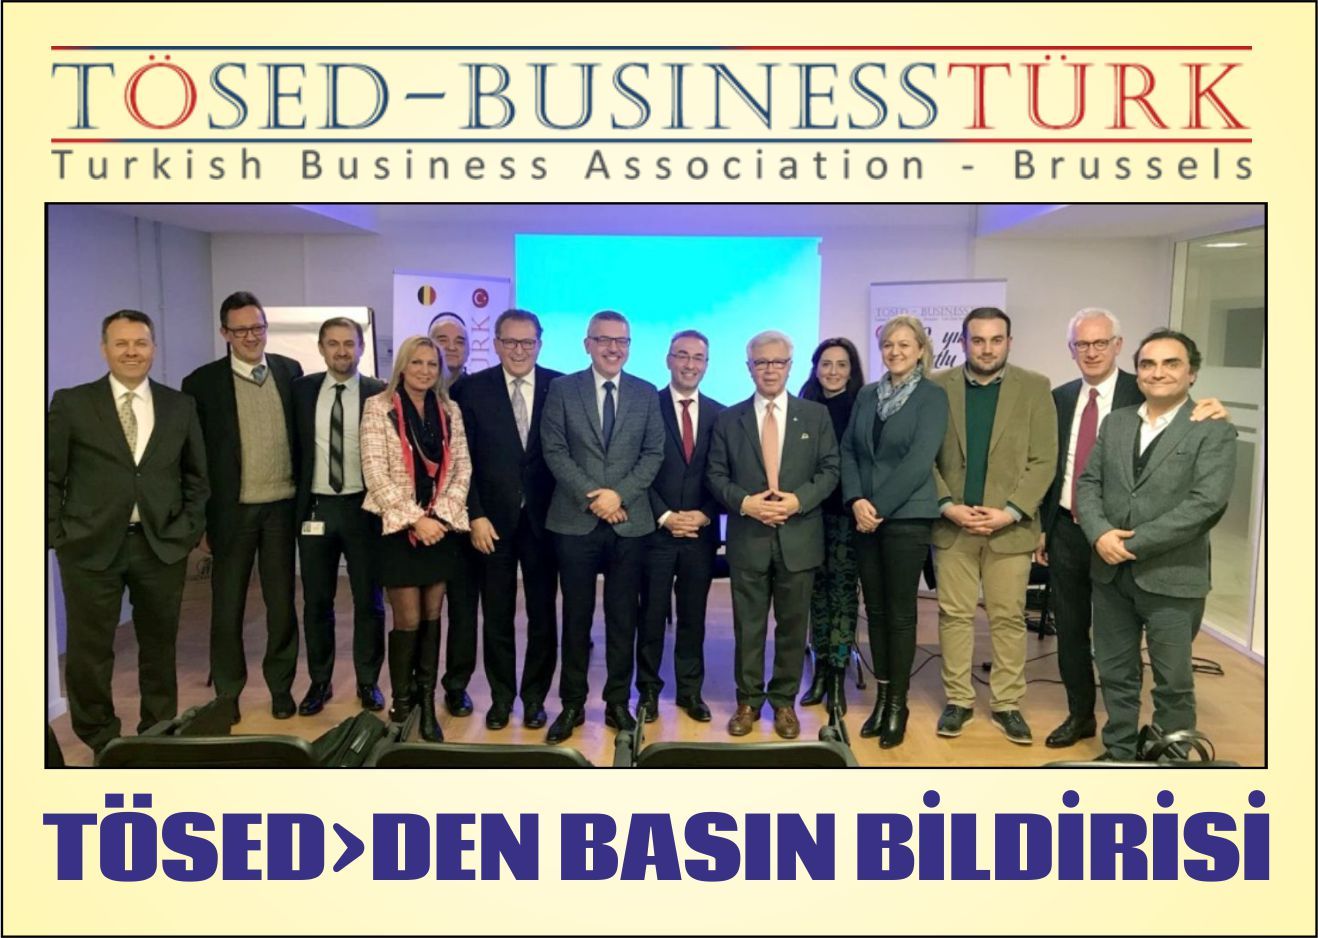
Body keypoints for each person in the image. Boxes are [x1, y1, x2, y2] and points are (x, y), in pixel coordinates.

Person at [1035, 308, 1229, 748]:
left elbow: (1205, 502)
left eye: (1101, 342)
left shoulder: (1198, 419)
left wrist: (1129, 541)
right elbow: (1079, 477)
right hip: (1078, 535)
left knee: (1168, 672)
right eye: (1082, 344)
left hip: (1163, 562)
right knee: (1087, 641)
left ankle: (1169, 750)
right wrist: (1092, 532)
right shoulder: (1069, 401)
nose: (1157, 372)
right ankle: (1097, 730)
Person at [47, 310, 209, 755]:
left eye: (140, 342)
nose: (132, 351)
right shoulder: (72, 403)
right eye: (121, 343)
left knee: (159, 647)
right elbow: (49, 475)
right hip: (89, 547)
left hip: (160, 545)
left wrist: (187, 530)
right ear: (105, 349)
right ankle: (101, 738)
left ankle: (157, 733)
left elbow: (197, 478)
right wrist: (57, 535)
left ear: (153, 348)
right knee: (90, 651)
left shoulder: (179, 405)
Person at [929, 308, 1056, 745]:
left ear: (1009, 342)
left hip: (1009, 527)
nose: (987, 348)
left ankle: (1006, 703)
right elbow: (924, 456)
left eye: (996, 340)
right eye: (978, 340)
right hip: (954, 526)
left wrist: (1012, 510)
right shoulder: (936, 387)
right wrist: (947, 505)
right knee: (954, 616)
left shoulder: (1035, 387)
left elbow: (1044, 460)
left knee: (1007, 618)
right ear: (963, 342)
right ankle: (958, 700)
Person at [707, 330, 840, 739]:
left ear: (790, 367)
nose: (769, 370)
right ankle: (748, 700)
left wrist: (798, 501)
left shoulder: (815, 416)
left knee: (792, 627)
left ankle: (784, 703)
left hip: (799, 538)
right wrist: (745, 503)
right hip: (748, 539)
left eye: (777, 362)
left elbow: (831, 470)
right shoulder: (728, 419)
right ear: (749, 368)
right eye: (761, 362)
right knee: (748, 627)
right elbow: (715, 475)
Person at [540, 310, 665, 743]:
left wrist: (619, 496)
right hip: (574, 520)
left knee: (622, 617)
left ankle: (617, 703)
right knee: (575, 618)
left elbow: (653, 453)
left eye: (621, 341)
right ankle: (572, 704)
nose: (614, 348)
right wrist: (595, 497)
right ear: (587, 344)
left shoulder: (646, 393)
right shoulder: (562, 389)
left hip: (629, 523)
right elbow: (554, 450)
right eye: (604, 340)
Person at [182, 291, 303, 722]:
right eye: (241, 330)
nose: (251, 336)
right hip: (231, 513)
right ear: (225, 333)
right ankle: (228, 693)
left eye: (258, 327)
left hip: (281, 509)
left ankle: (281, 688)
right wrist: (199, 520)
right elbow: (193, 458)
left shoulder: (290, 371)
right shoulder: (201, 384)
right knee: (227, 607)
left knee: (282, 606)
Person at [451, 309, 564, 731]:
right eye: (511, 342)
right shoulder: (470, 390)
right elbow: (461, 460)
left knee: (542, 616)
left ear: (539, 344)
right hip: (490, 525)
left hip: (545, 522)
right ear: (496, 344)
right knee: (496, 616)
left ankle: (534, 699)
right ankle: (502, 699)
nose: (519, 350)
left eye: (527, 342)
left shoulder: (560, 387)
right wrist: (475, 514)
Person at [841, 315, 948, 748]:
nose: (896, 351)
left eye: (905, 344)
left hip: (906, 517)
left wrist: (878, 508)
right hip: (865, 515)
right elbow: (850, 450)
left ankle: (898, 705)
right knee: (876, 611)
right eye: (888, 344)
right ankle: (882, 697)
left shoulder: (932, 396)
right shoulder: (867, 394)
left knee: (901, 614)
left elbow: (920, 461)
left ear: (921, 350)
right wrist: (856, 500)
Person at [360, 335, 471, 742]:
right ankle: (402, 703)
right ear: (403, 366)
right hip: (398, 530)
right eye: (417, 362)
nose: (425, 370)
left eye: (432, 364)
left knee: (432, 615)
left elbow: (462, 469)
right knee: (406, 618)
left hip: (440, 528)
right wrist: (415, 520)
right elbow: (375, 473)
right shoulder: (378, 407)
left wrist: (438, 517)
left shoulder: (450, 410)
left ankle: (426, 701)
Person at [291, 317, 388, 716]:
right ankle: (320, 682)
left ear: (361, 347)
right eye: (333, 343)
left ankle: (368, 682)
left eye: (349, 343)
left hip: (363, 508)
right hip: (316, 507)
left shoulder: (379, 392)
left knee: (369, 601)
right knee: (317, 601)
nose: (342, 351)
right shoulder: (301, 391)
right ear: (321, 347)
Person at [637, 330, 725, 723]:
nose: (690, 364)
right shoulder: (645, 407)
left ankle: (690, 692)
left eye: (698, 357)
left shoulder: (721, 414)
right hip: (655, 532)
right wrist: (665, 516)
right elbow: (635, 470)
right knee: (651, 616)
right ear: (668, 360)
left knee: (693, 617)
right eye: (682, 355)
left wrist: (705, 514)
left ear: (706, 364)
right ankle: (648, 692)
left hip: (700, 534)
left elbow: (724, 474)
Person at [796, 337, 865, 714]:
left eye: (841, 364)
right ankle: (819, 671)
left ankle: (837, 675)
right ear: (815, 367)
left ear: (851, 370)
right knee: (815, 594)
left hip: (847, 515)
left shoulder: (862, 406)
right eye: (826, 364)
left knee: (842, 596)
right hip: (808, 514)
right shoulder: (802, 405)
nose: (833, 371)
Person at [426, 310, 478, 715]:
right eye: (442, 340)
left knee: (463, 608)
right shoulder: (410, 393)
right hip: (419, 522)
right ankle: (418, 685)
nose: (452, 347)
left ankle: (456, 684)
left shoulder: (479, 391)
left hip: (464, 519)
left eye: (460, 340)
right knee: (422, 611)